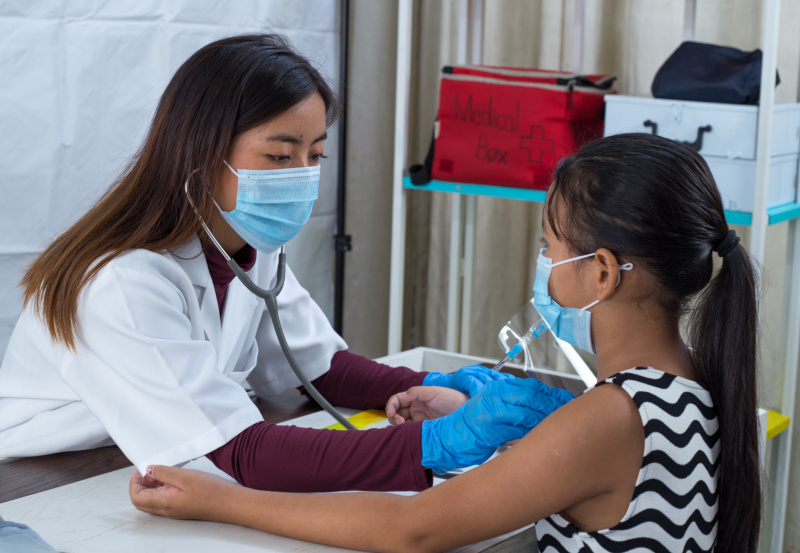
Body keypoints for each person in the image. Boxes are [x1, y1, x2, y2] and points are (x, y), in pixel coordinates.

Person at [130, 132, 762, 553]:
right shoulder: (699, 383)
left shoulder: (613, 415)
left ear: (599, 273)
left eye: (550, 248)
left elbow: (412, 530)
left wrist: (226, 501)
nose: (543, 264)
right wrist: (523, 427)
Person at [0, 34, 569, 492]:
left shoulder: (248, 245)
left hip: (146, 453)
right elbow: (244, 452)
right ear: (201, 149)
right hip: (50, 477)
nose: (301, 174)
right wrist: (435, 445)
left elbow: (317, 367)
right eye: (279, 154)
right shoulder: (119, 281)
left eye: (315, 154)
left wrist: (441, 384)